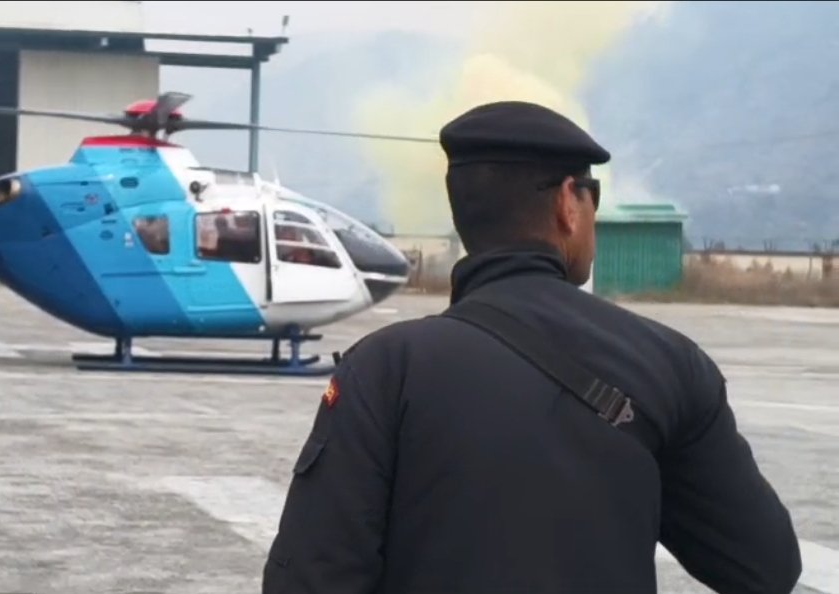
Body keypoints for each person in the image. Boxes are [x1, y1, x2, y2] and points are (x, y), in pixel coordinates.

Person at [261, 101, 802, 594]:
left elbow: (310, 576)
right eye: (592, 196)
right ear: (569, 203)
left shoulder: (383, 369)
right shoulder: (670, 363)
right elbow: (765, 567)